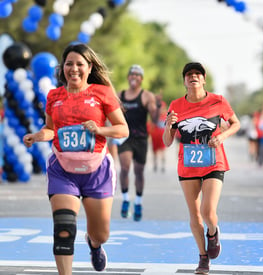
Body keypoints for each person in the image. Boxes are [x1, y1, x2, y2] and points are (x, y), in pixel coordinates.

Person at [23, 43, 129, 274]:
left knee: (101, 233)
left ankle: (94, 244)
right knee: (63, 228)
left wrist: (99, 130)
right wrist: (39, 135)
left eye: (79, 64)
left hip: (96, 169)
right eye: (69, 64)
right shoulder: (54, 95)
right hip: (63, 168)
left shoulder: (102, 94)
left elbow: (123, 129)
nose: (74, 69)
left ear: (89, 67)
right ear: (63, 68)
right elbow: (51, 129)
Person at [163, 62, 240, 274]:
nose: (193, 76)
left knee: (207, 212)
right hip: (187, 165)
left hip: (213, 161)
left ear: (204, 79)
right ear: (184, 81)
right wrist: (168, 125)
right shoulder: (176, 105)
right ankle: (203, 257)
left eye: (197, 73)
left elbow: (236, 124)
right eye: (189, 74)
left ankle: (213, 232)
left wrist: (221, 137)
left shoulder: (218, 100)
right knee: (195, 215)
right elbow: (167, 141)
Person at [117, 64, 161, 221]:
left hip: (141, 138)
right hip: (125, 137)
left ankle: (138, 202)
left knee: (138, 171)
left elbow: (155, 120)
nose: (134, 77)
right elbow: (113, 115)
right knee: (124, 167)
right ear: (128, 77)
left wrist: (157, 107)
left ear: (141, 79)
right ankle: (125, 199)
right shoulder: (120, 95)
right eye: (132, 74)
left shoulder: (146, 96)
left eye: (137, 75)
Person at [148, 94, 167, 173]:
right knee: (155, 152)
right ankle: (155, 164)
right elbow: (150, 126)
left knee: (162, 151)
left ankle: (163, 165)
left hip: (162, 137)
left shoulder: (165, 116)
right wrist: (149, 136)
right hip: (154, 136)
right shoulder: (154, 116)